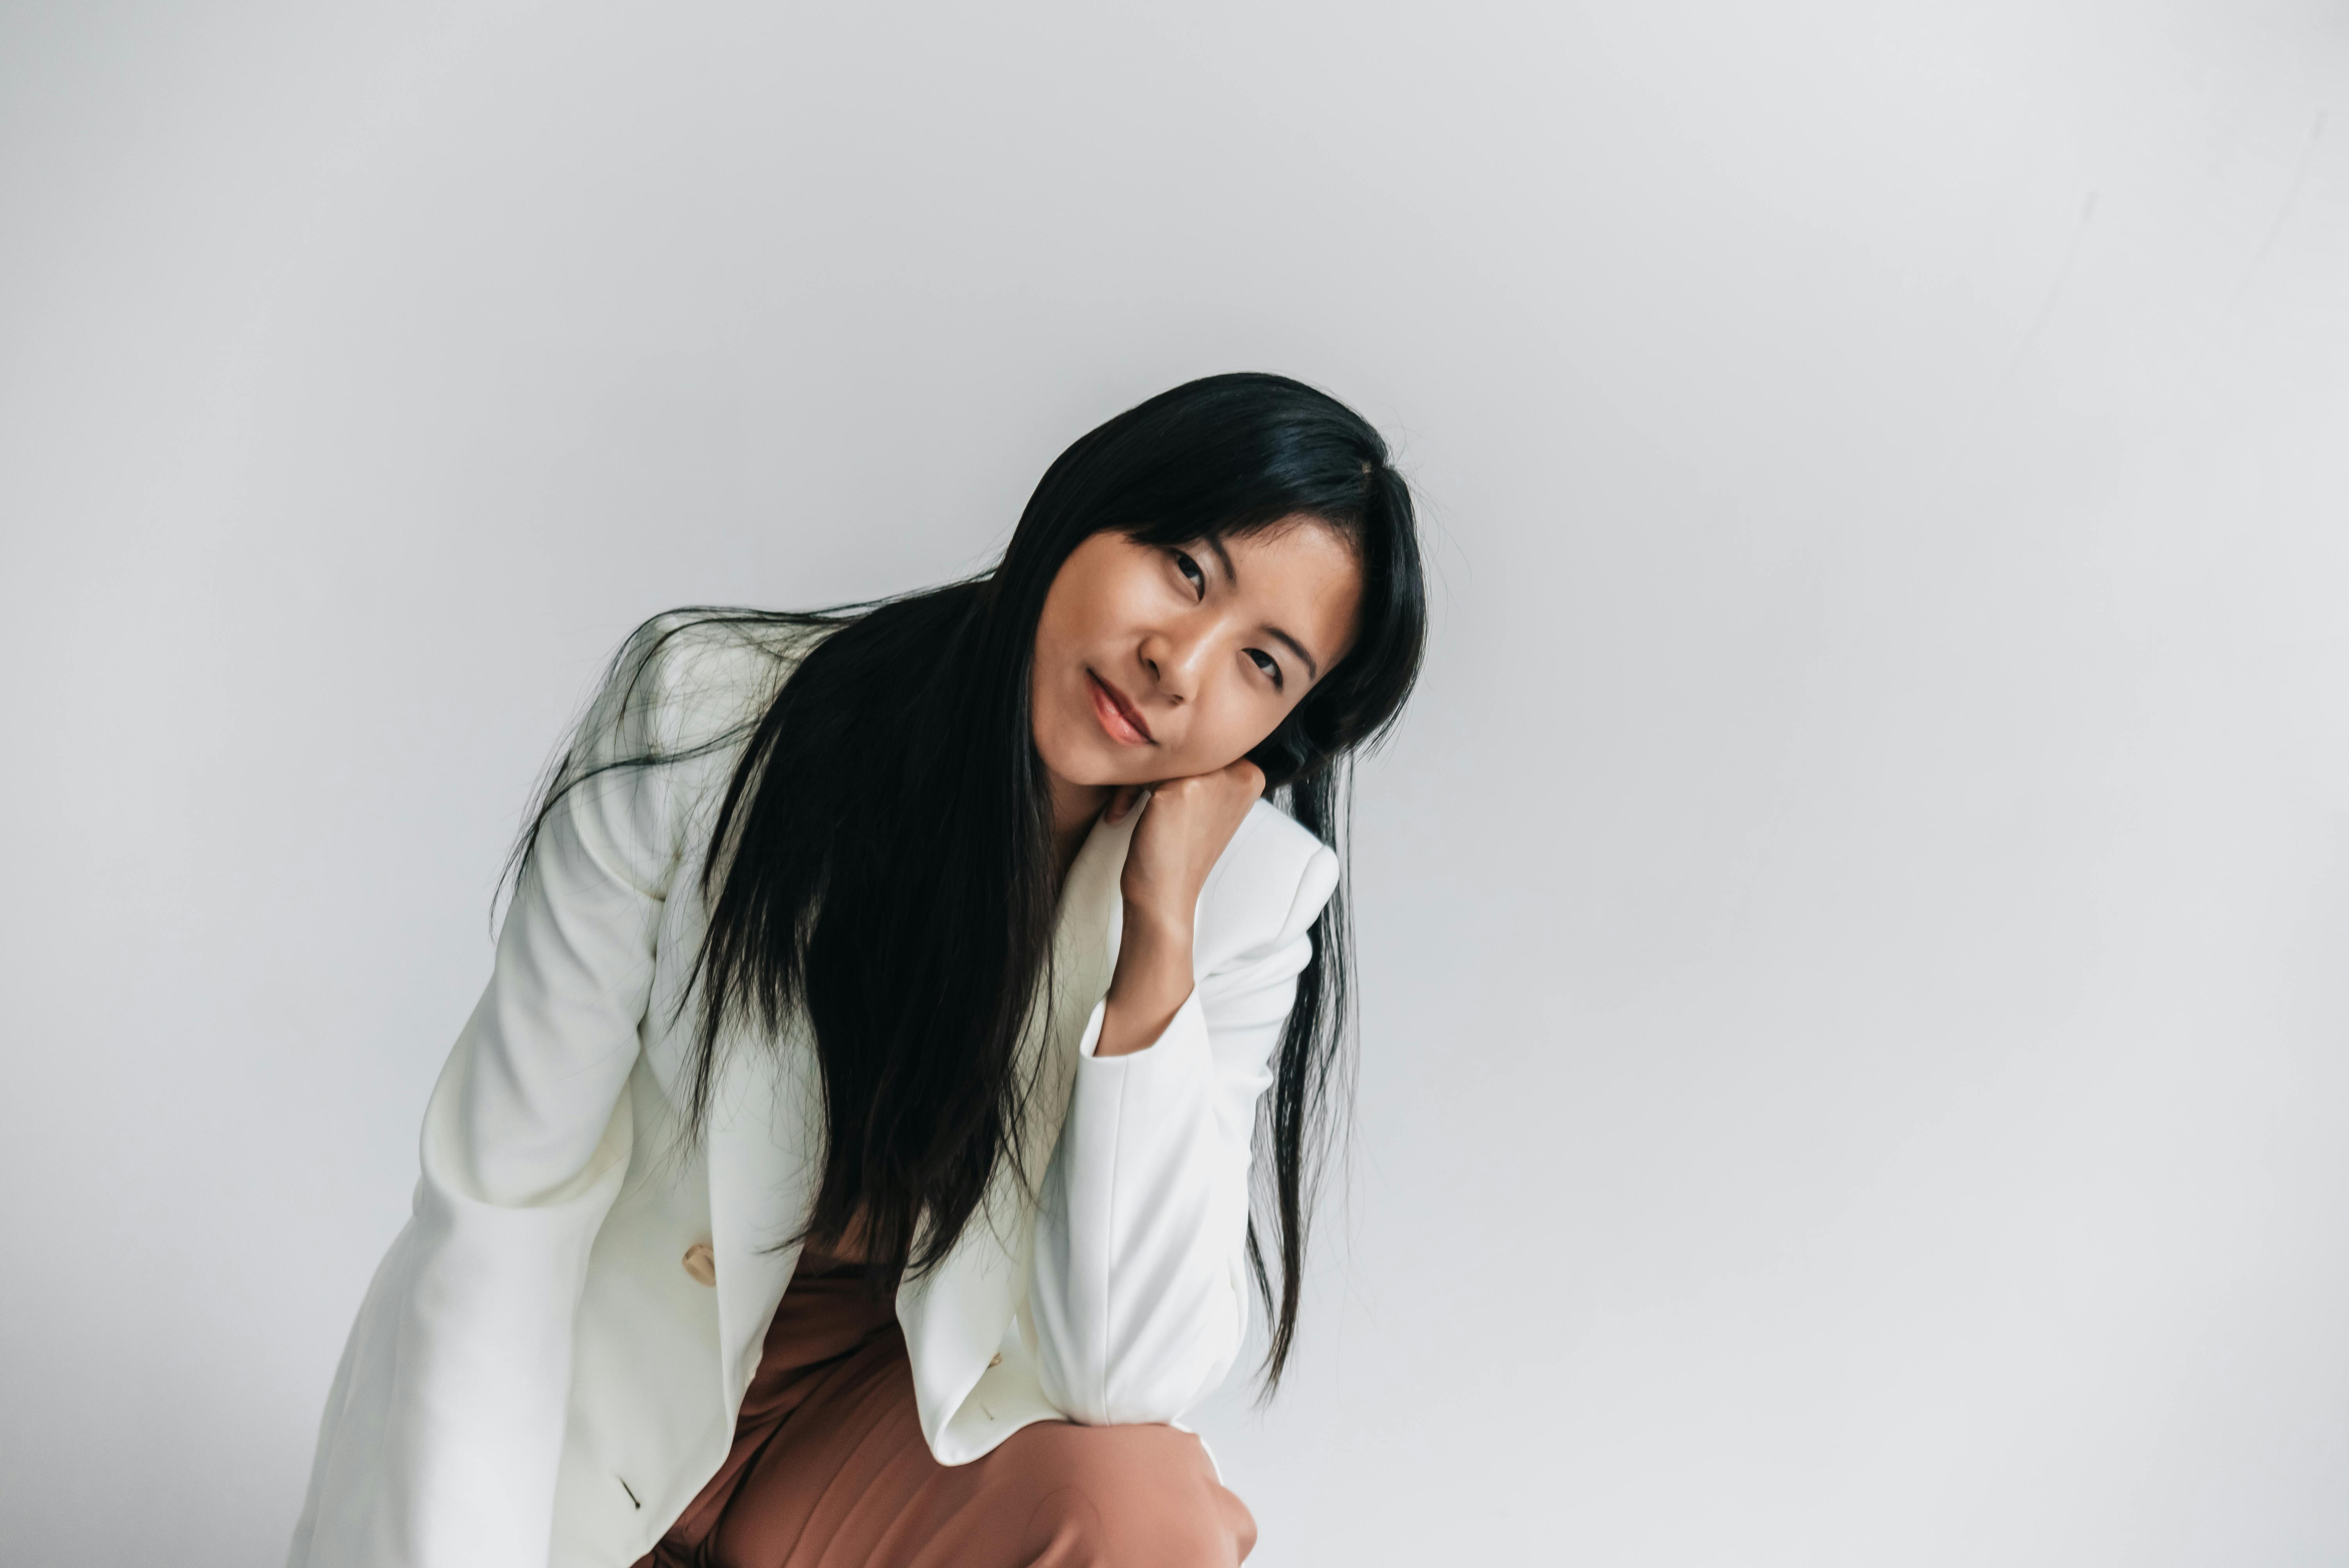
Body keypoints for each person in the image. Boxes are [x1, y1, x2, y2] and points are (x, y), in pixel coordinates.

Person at [287, 372, 1428, 1568]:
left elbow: (1122, 1373)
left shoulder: (1240, 905)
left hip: (845, 1472)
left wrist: (1158, 948)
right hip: (585, 1423)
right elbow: (504, 1208)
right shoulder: (705, 721)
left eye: (1265, 664)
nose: (1178, 663)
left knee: (1144, 1513)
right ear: (1088, 503)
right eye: (1187, 569)